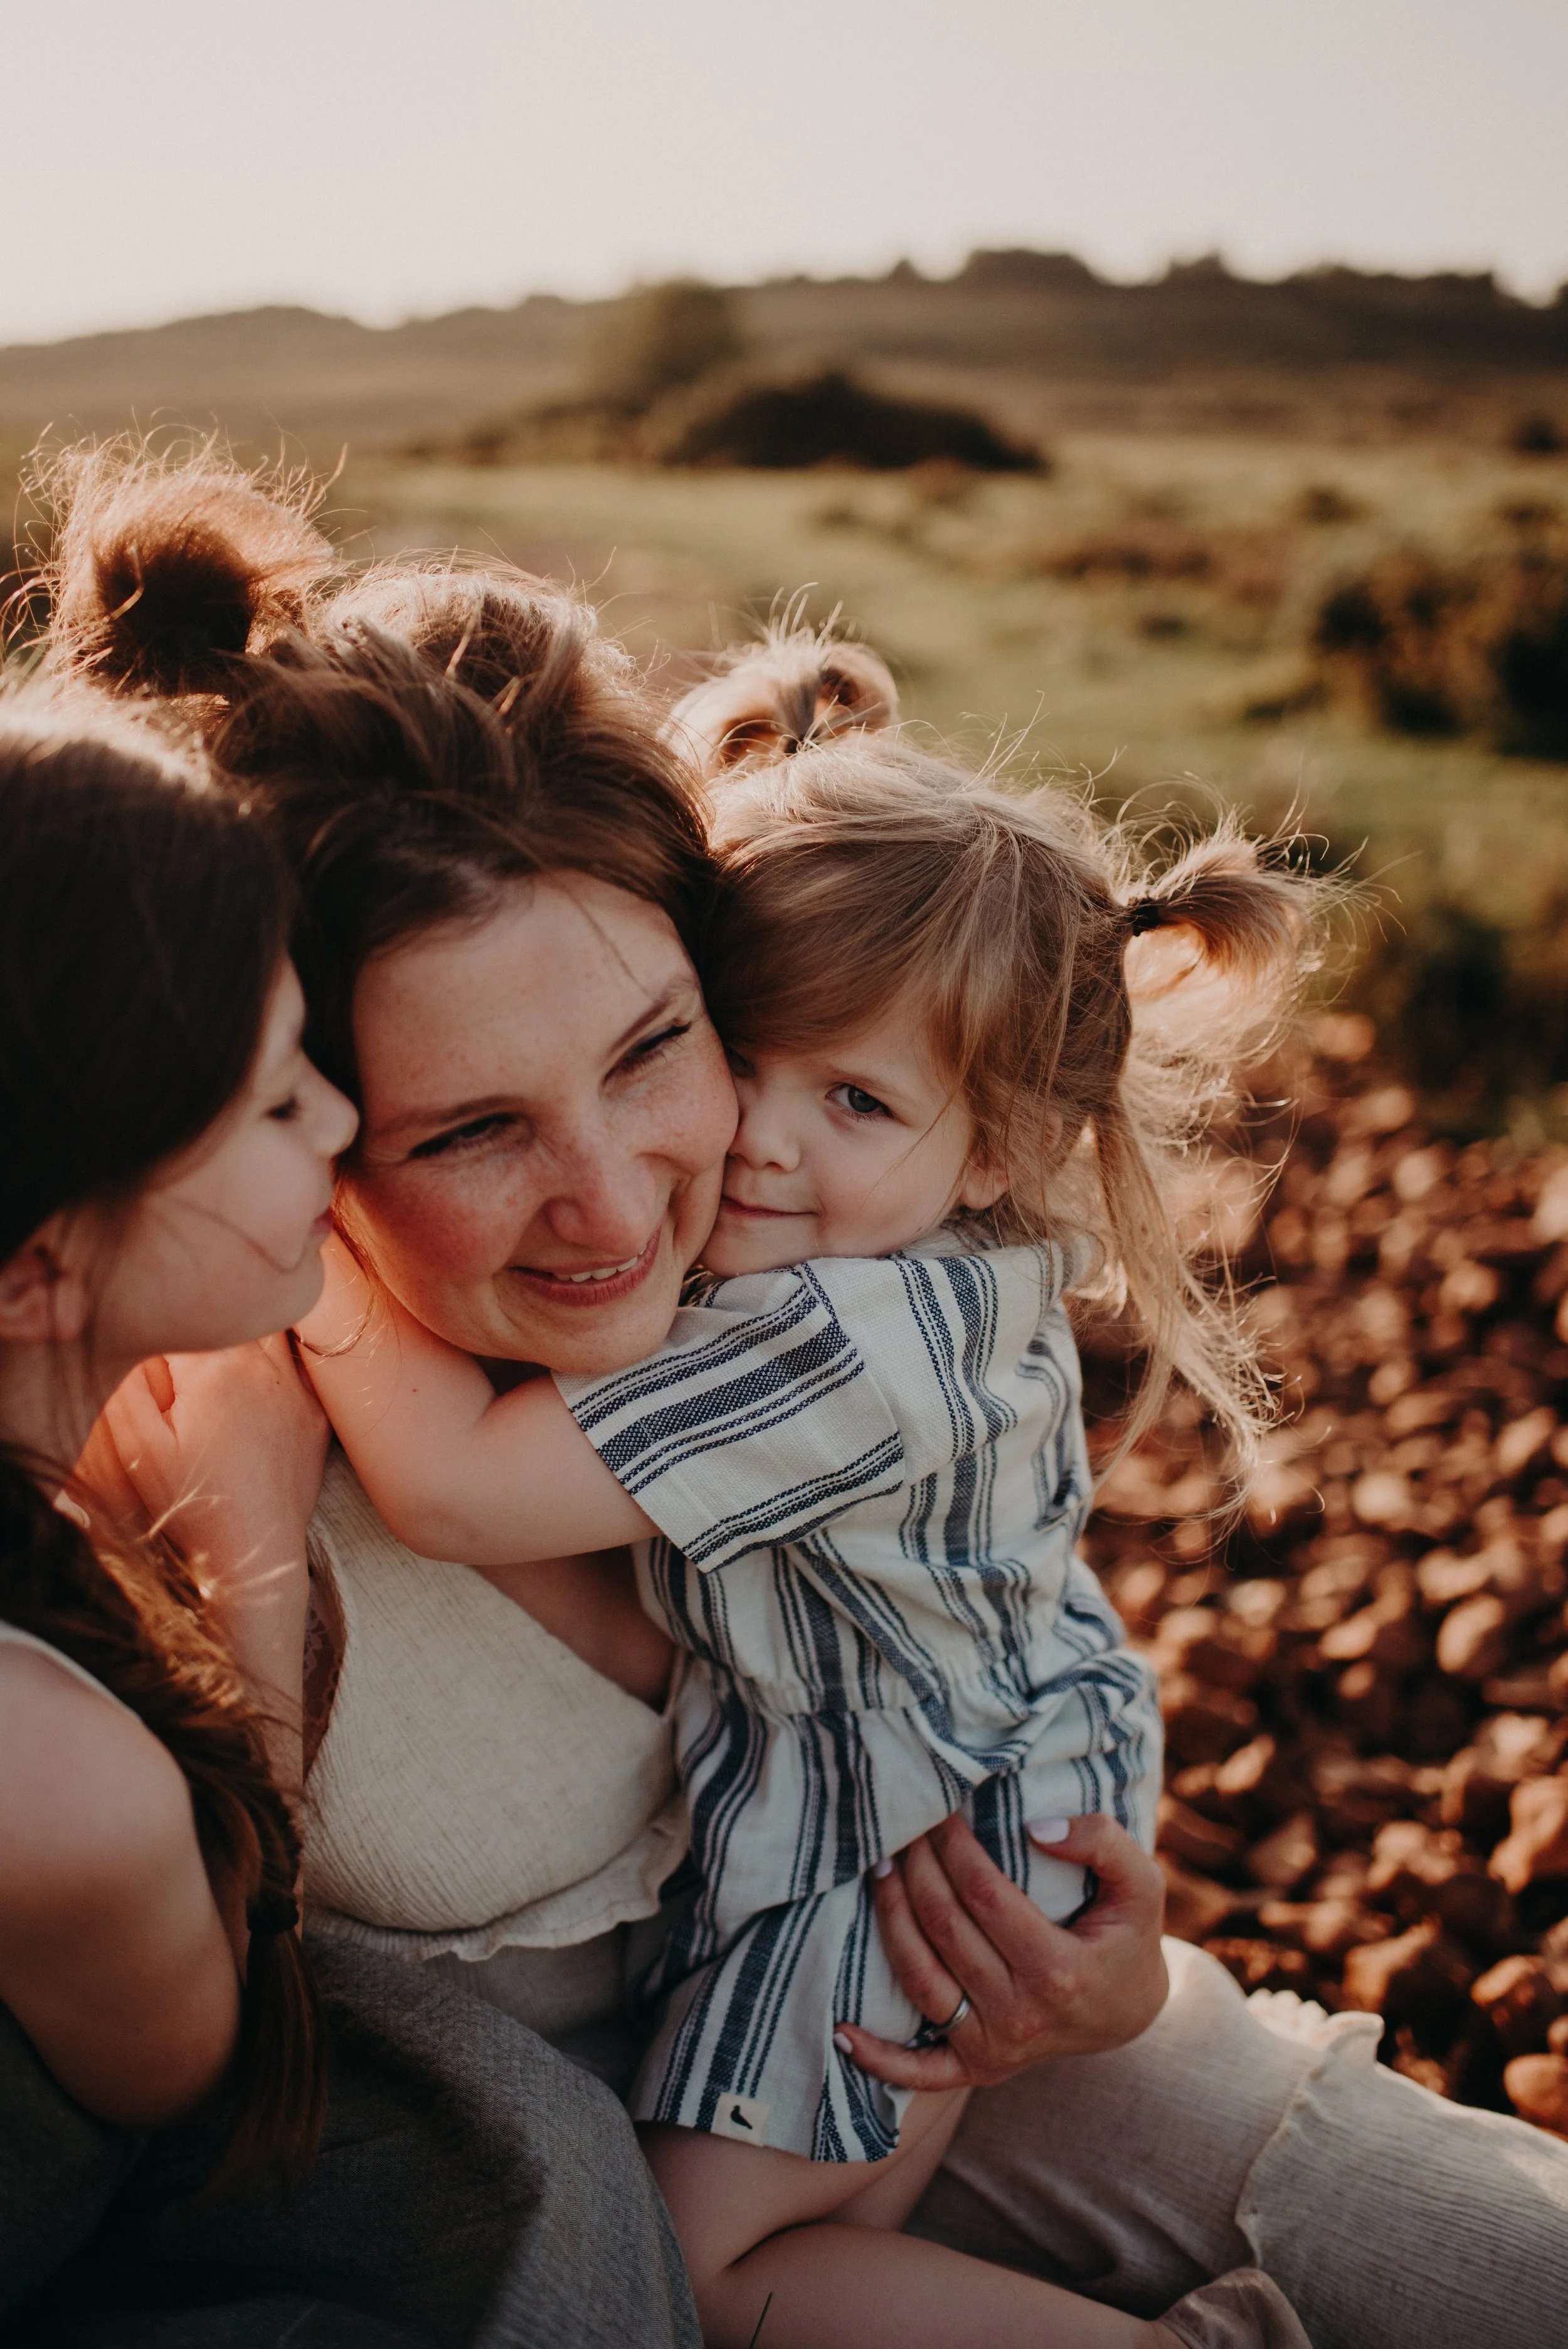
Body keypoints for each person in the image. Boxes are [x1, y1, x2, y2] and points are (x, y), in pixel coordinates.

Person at [38, 443, 1568, 2349]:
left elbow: (983, 1590)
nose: (622, 1201)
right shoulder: (187, 1399)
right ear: (290, 1104)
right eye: (470, 1129)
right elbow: (188, 2063)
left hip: (944, 2006)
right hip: (600, 2166)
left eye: (660, 1047)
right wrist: (256, 1541)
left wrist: (1106, 1934)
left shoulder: (794, 1273)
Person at [0, 678, 701, 2349]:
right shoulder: (54, 1776)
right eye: (268, 1102)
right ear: (36, 1264)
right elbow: (218, 2074)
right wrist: (244, 1566)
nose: (336, 1121)